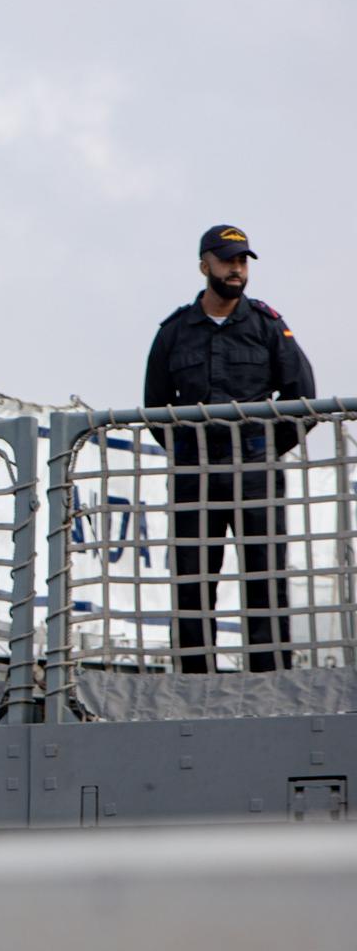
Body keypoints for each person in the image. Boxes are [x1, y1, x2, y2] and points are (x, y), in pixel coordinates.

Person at [143, 224, 316, 673]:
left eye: (242, 262)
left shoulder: (267, 326)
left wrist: (264, 448)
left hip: (254, 469)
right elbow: (155, 408)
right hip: (194, 474)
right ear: (205, 266)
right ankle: (195, 683)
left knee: (264, 577)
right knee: (192, 580)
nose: (236, 270)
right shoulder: (174, 332)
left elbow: (304, 399)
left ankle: (271, 679)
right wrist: (187, 452)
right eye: (227, 261)